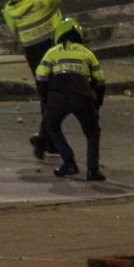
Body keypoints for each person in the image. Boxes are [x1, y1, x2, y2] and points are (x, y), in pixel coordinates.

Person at [1, 0, 103, 160]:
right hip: (54, 49)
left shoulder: (10, 12)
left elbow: (16, 32)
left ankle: (47, 139)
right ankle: (46, 138)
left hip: (33, 55)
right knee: (61, 95)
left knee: (49, 95)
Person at [35, 17, 106, 181]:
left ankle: (69, 163)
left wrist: (46, 97)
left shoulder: (52, 52)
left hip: (58, 93)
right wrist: (97, 102)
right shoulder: (87, 53)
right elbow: (100, 80)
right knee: (92, 132)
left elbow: (41, 76)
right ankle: (93, 170)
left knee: (51, 125)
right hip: (83, 94)